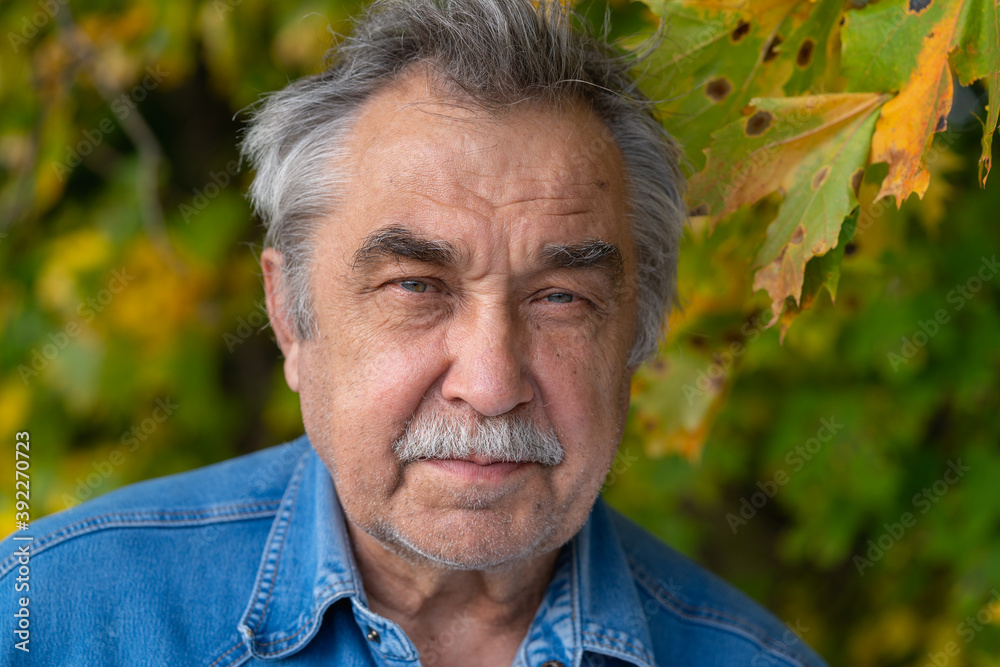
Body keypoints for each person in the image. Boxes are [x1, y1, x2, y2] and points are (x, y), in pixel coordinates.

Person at [1, 1, 828, 665]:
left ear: (639, 333)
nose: (492, 380)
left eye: (561, 298)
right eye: (416, 286)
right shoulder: (51, 618)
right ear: (291, 313)